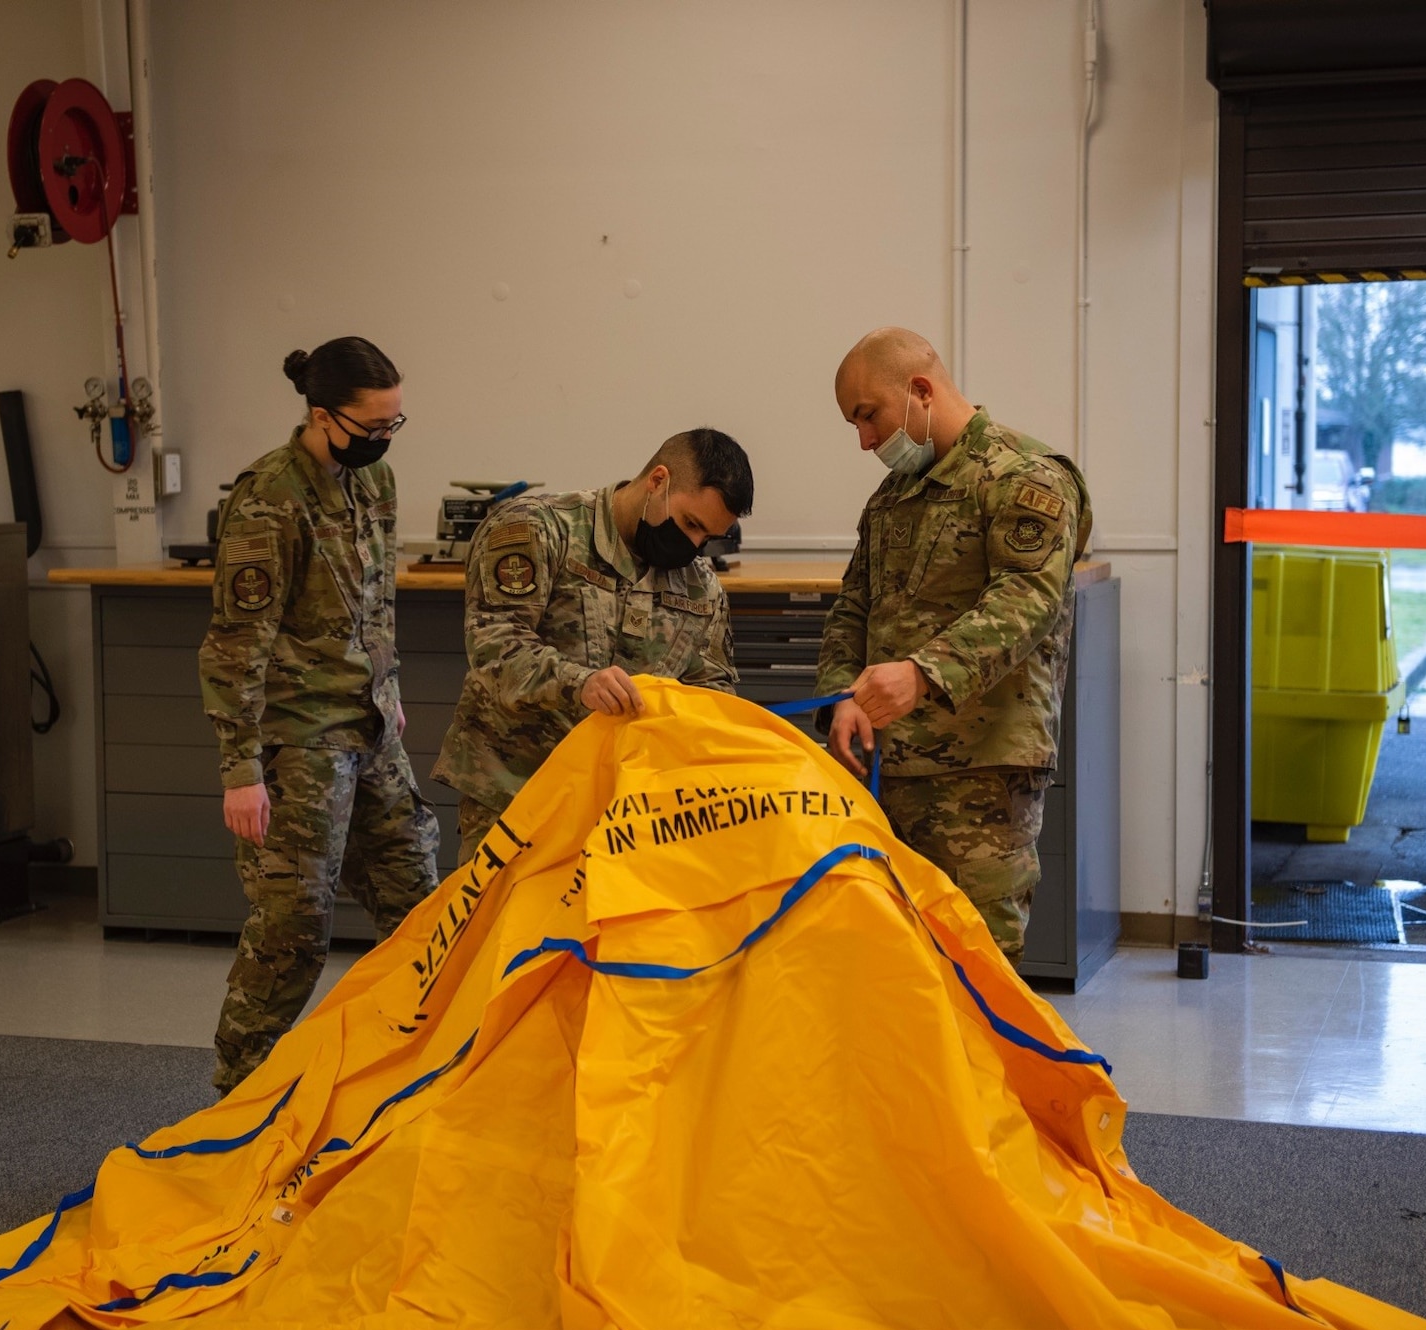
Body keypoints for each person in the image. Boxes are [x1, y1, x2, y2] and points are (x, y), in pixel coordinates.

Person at [199, 335, 440, 1095]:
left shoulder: (378, 483)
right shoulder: (269, 498)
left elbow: (375, 598)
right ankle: (237, 1097)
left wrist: (388, 686)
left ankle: (416, 1080)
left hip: (368, 726)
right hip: (298, 740)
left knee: (423, 908)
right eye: (372, 427)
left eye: (394, 424)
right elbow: (236, 643)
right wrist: (241, 771)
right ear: (321, 415)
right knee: (292, 930)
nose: (383, 440)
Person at [816, 327, 1091, 963]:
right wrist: (840, 699)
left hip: (980, 772)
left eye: (868, 416)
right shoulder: (892, 497)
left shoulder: (1026, 476)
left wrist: (923, 673)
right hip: (886, 766)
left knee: (976, 970)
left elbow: (1026, 601)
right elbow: (853, 605)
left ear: (919, 390)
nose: (864, 440)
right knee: (894, 967)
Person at [434, 428, 753, 855]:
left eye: (706, 537)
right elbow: (495, 644)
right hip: (516, 793)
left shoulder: (701, 588)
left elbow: (712, 691)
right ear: (658, 481)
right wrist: (580, 683)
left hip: (628, 816)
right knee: (508, 923)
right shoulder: (538, 527)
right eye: (691, 524)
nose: (693, 545)